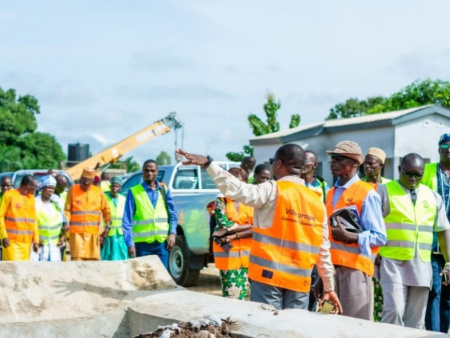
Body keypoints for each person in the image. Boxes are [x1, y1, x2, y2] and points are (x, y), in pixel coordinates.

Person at [177, 145, 342, 312]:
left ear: (278, 164)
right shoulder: (317, 202)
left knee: (265, 328)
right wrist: (329, 288)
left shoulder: (273, 189)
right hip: (299, 283)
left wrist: (209, 164)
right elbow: (323, 249)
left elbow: (236, 189)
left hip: (267, 279)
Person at [377, 153, 450, 329]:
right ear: (399, 170)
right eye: (408, 173)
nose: (413, 178)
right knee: (393, 311)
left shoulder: (433, 197)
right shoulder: (383, 192)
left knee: (415, 320)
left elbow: (443, 230)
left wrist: (448, 261)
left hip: (422, 265)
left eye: (418, 175)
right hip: (392, 263)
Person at [325, 141, 386, 320]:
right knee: (327, 323)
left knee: (354, 326)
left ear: (354, 163)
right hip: (331, 271)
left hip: (355, 272)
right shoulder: (330, 193)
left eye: (339, 158)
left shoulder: (367, 194)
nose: (333, 162)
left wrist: (349, 236)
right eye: (332, 158)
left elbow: (380, 237)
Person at [122, 160, 177, 269]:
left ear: (157, 172)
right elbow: (127, 221)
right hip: (142, 246)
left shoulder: (164, 190)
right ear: (143, 172)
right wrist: (130, 244)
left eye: (152, 170)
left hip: (161, 244)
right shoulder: (133, 192)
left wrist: (172, 233)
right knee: (143, 278)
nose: (149, 173)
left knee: (163, 278)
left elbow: (173, 214)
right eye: (147, 170)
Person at [421, 133, 450, 333]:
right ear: (439, 149)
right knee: (434, 292)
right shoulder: (428, 171)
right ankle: (433, 335)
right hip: (431, 244)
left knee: (448, 297)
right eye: (445, 145)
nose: (449, 149)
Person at [212, 167, 254, 299]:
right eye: (232, 182)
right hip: (229, 256)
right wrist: (250, 227)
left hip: (250, 258)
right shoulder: (221, 201)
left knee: (251, 298)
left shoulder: (251, 202)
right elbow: (225, 225)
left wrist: (234, 233)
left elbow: (259, 227)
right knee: (232, 296)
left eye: (239, 182)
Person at [64, 167, 111, 261]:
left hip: (93, 234)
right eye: (82, 181)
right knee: (77, 261)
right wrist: (66, 222)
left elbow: (106, 210)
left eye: (86, 182)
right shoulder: (73, 190)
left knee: (93, 262)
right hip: (76, 235)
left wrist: (107, 226)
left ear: (92, 181)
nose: (83, 184)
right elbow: (67, 210)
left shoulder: (98, 192)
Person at [0, 175, 39, 261]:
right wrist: (4, 236)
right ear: (28, 185)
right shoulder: (9, 195)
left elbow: (34, 220)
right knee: (12, 270)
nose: (36, 188)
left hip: (27, 244)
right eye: (35, 186)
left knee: (23, 272)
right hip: (11, 243)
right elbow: (0, 216)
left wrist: (36, 240)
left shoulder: (31, 198)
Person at [35, 175, 65, 261]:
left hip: (54, 245)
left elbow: (64, 222)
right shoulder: (36, 202)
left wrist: (62, 237)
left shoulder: (57, 203)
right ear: (42, 188)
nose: (50, 190)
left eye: (52, 188)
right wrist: (37, 237)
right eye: (48, 187)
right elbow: (32, 221)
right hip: (40, 244)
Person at [101, 176, 128, 260]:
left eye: (117, 186)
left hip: (119, 233)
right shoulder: (104, 197)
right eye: (113, 186)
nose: (114, 188)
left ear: (120, 188)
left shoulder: (123, 199)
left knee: (121, 255)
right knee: (107, 255)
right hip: (107, 232)